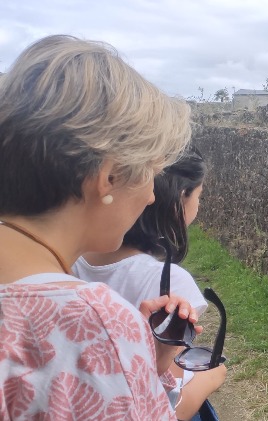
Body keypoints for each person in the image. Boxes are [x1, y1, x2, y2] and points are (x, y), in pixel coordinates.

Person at [0, 35, 197, 419]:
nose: (151, 197)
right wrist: (120, 348)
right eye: (150, 174)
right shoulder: (94, 324)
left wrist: (141, 361)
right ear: (109, 177)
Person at [73, 146, 227, 421]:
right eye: (199, 196)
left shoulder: (72, 261)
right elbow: (167, 400)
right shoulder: (170, 281)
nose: (199, 205)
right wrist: (211, 378)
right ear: (180, 198)